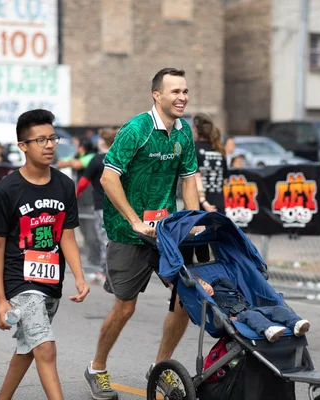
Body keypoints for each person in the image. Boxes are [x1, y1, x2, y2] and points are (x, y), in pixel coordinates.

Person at [84, 67, 200, 400]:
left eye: (185, 91)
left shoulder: (183, 132)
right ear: (157, 95)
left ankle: (160, 367)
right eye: (175, 91)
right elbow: (108, 178)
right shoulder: (136, 130)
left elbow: (189, 177)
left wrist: (192, 221)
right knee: (125, 308)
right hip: (128, 232)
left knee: (185, 301)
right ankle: (97, 368)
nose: (182, 97)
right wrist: (134, 220)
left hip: (166, 232)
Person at [0, 109, 90, 400]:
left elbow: (66, 235)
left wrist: (79, 277)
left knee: (30, 346)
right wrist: (1, 299)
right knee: (45, 347)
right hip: (19, 281)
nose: (49, 145)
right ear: (23, 146)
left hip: (51, 280)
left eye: (52, 138)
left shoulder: (65, 185)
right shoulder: (7, 189)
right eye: (40, 140)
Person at [195, 275, 310, 342]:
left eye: (204, 284)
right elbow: (218, 316)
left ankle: (296, 324)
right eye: (202, 289)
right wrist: (229, 320)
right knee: (252, 316)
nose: (206, 288)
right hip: (237, 317)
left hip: (250, 308)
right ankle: (268, 330)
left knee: (277, 309)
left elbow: (229, 284)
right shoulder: (210, 302)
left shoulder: (221, 286)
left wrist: (217, 283)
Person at [75, 128, 118, 283]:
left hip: (101, 206)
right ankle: (115, 270)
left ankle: (106, 271)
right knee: (116, 239)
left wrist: (75, 195)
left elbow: (83, 182)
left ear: (101, 142)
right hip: (120, 205)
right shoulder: (119, 157)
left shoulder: (97, 159)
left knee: (103, 240)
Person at [57, 137, 102, 267]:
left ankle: (97, 261)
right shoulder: (77, 156)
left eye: (77, 145)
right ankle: (91, 260)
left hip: (89, 200)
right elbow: (61, 163)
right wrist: (71, 161)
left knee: (92, 234)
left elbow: (77, 164)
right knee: (84, 232)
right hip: (80, 201)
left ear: (82, 147)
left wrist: (71, 161)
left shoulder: (92, 157)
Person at [193, 113, 227, 213]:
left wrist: (203, 201)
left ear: (195, 129)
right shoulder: (219, 148)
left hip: (201, 204)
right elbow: (225, 180)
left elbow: (196, 176)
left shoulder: (194, 148)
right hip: (219, 204)